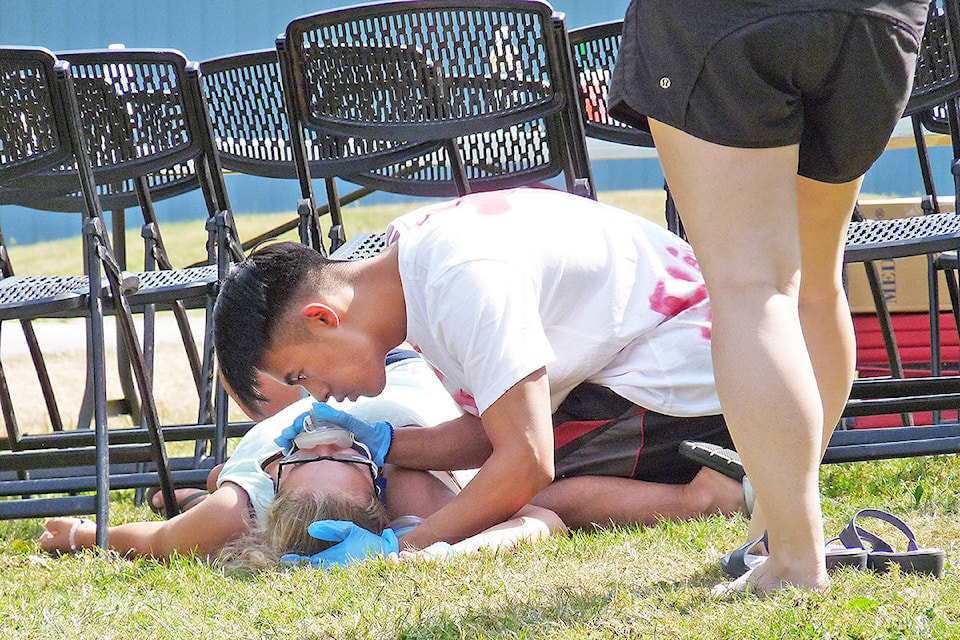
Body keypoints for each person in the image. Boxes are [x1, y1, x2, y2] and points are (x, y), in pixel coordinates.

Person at [212, 187, 749, 565]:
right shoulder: (413, 262)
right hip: (668, 357)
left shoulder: (459, 279)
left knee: (530, 502)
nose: (318, 395)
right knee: (501, 489)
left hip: (699, 377)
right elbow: (493, 429)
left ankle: (706, 498)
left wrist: (407, 548)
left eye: (302, 374)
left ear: (323, 319)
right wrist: (386, 445)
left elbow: (526, 462)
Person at [605, 0, 930, 593]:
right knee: (811, 282)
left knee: (753, 288)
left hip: (726, 22)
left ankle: (793, 560)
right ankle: (776, 528)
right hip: (877, 18)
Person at [39, 351, 565, 568]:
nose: (324, 437)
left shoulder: (254, 489)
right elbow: (543, 520)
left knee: (216, 512)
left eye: (309, 454)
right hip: (405, 359)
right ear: (376, 483)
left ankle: (206, 488)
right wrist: (418, 552)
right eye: (341, 455)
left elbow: (158, 541)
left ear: (277, 472)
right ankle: (204, 483)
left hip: (316, 386)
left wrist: (84, 535)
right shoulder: (407, 487)